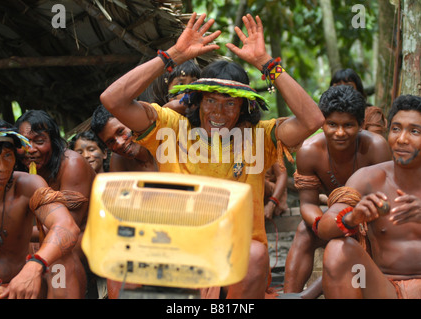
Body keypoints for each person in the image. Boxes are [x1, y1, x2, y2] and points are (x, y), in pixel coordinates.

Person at [99, 12, 324, 298]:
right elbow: (112, 99)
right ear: (197, 101)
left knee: (254, 254)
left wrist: (266, 64)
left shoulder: (258, 137)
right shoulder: (170, 126)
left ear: (243, 109)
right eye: (211, 101)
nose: (218, 112)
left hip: (235, 257)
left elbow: (312, 120)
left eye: (230, 104)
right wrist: (174, 54)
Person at [317, 94, 421, 299]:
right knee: (337, 249)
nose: (401, 139)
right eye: (396, 128)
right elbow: (324, 228)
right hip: (384, 290)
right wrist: (352, 218)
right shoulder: (367, 179)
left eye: (414, 131)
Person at [282, 85, 392, 298]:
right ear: (322, 123)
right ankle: (289, 294)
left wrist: (358, 220)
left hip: (370, 222)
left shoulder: (376, 148)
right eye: (332, 124)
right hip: (333, 219)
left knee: (350, 242)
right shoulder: (309, 151)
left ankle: (308, 295)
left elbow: (387, 200)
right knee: (304, 232)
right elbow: (307, 203)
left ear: (361, 125)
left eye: (348, 125)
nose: (340, 133)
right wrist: (322, 225)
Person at [0, 117, 80, 299]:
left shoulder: (28, 185)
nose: (1, 167)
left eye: (7, 155)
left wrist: (35, 265)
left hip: (24, 285)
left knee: (61, 262)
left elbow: (67, 226)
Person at [15, 110, 96, 298]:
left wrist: (19, 234)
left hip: (86, 235)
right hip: (41, 235)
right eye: (24, 143)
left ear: (53, 141)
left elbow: (67, 229)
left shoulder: (72, 164)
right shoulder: (20, 168)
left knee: (57, 253)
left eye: (39, 141)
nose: (31, 149)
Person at [90, 105, 157, 172]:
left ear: (132, 121)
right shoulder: (118, 162)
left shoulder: (162, 131)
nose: (120, 143)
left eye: (120, 131)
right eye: (111, 142)